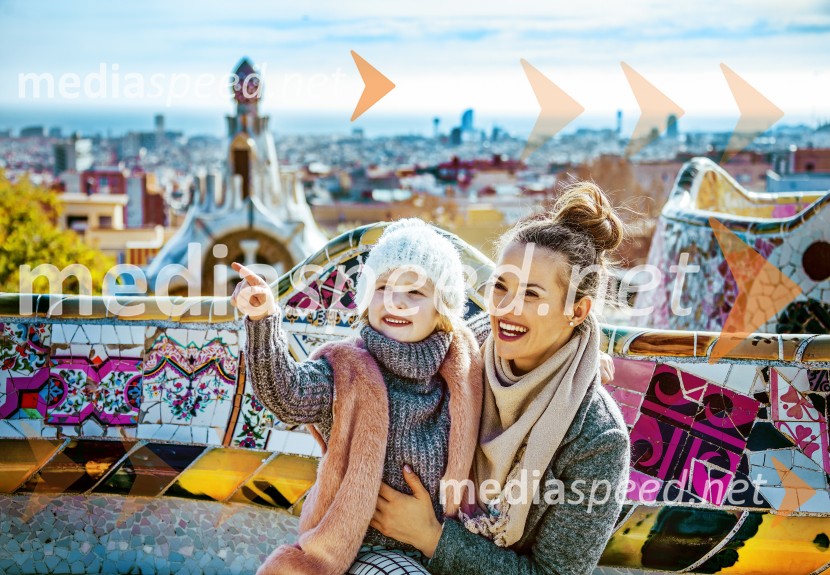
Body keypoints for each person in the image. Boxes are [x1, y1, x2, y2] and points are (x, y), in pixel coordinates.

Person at [370, 182, 631, 575]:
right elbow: (372, 354)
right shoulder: (461, 352)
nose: (506, 308)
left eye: (531, 295)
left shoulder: (597, 438)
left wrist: (432, 537)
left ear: (577, 311)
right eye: (501, 287)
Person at [230, 219, 483, 575]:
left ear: (442, 310)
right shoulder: (346, 370)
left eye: (415, 292)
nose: (396, 301)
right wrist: (263, 318)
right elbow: (286, 394)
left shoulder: (461, 371)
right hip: (359, 551)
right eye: (383, 287)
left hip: (440, 550)